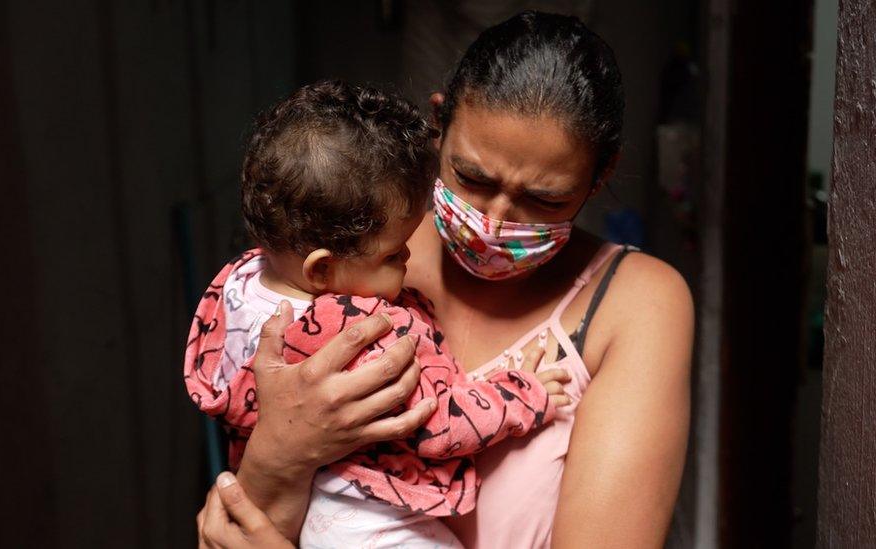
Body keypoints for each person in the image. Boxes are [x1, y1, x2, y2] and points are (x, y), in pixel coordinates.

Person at [196, 11, 693, 548]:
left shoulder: (637, 303)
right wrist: (276, 457)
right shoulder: (353, 249)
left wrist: (282, 460)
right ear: (439, 125)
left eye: (544, 199)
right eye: (473, 177)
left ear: (601, 176)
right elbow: (234, 528)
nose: (497, 222)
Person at [185, 80, 573, 547]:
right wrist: (523, 395)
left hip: (288, 513)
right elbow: (437, 424)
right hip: (370, 526)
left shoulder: (236, 287)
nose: (409, 258)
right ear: (323, 269)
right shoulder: (362, 331)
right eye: (393, 255)